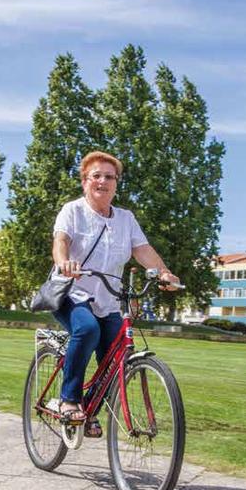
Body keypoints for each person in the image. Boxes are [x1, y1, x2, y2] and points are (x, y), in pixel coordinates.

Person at [51, 151, 179, 434]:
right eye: (96, 175)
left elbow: (142, 250)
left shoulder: (125, 219)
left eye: (109, 177)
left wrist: (164, 273)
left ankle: (90, 409)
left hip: (109, 298)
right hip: (72, 292)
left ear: (116, 183)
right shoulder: (73, 211)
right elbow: (61, 241)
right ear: (85, 182)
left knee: (117, 354)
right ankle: (69, 400)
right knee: (87, 330)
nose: (103, 181)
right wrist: (64, 263)